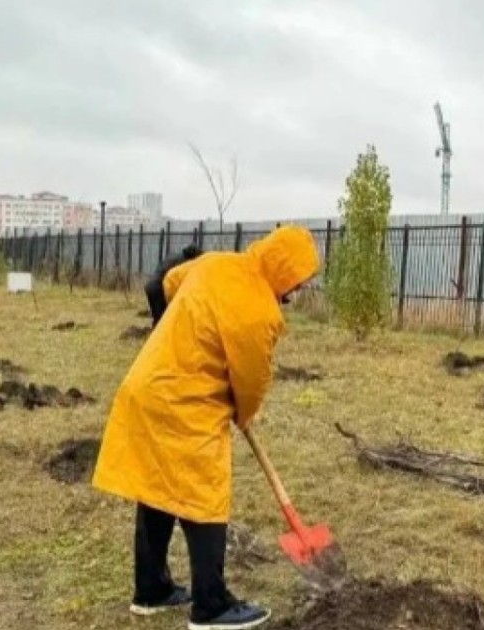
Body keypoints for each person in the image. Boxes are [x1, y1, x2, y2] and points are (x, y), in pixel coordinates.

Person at [92, 225, 320, 630]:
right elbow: (249, 383)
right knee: (205, 495)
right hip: (186, 405)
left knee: (158, 485)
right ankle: (211, 605)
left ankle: (152, 590)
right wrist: (245, 413)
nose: (298, 291)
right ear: (285, 271)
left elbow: (165, 284)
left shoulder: (216, 263)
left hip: (147, 384)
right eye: (299, 281)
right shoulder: (259, 313)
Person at [144, 243, 203, 326]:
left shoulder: (174, 257)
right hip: (158, 289)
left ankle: (155, 335)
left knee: (158, 317)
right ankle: (160, 337)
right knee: (163, 319)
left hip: (150, 286)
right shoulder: (184, 263)